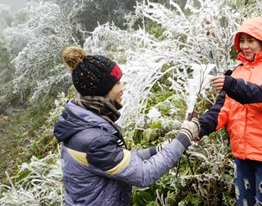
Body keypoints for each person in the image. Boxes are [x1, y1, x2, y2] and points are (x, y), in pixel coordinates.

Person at [54, 46, 199, 205]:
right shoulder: (93, 139)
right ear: (101, 90)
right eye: (117, 83)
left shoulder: (85, 124)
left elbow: (119, 159)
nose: (122, 87)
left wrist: (155, 150)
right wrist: (185, 136)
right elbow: (144, 175)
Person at [197, 16, 262, 206]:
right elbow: (221, 110)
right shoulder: (237, 72)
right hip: (242, 157)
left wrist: (232, 85)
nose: (245, 46)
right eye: (242, 40)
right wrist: (198, 127)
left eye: (251, 40)